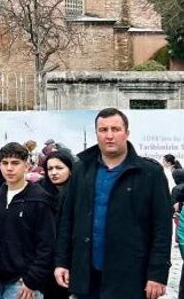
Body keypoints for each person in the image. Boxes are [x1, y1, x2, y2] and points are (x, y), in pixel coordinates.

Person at [55, 107, 172, 299]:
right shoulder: (81, 170)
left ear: (127, 132)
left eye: (115, 129)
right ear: (97, 134)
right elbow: (68, 219)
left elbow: (162, 228)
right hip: (87, 275)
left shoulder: (150, 173)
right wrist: (61, 261)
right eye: (103, 130)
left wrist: (157, 274)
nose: (109, 135)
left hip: (131, 277)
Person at [0, 142, 56, 299]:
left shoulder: (40, 199)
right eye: (5, 163)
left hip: (23, 284)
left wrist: (32, 280)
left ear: (27, 165)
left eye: (15, 163)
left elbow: (47, 245)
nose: (9, 168)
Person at [39, 149, 76, 299]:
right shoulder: (40, 192)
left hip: (72, 261)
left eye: (59, 168)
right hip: (46, 263)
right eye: (50, 169)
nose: (54, 172)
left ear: (71, 169)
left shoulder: (79, 193)